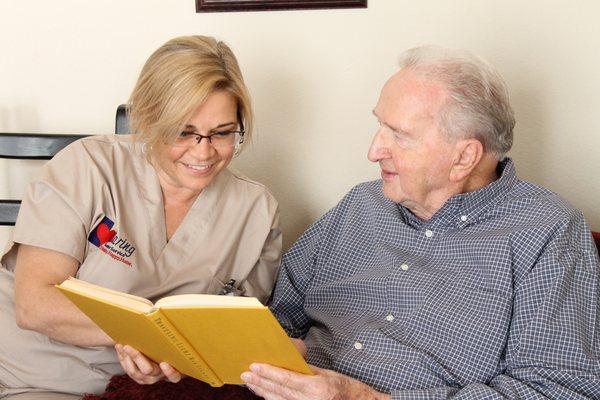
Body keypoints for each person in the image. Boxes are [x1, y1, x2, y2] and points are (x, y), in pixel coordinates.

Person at [120, 45, 600, 399]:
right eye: (379, 125)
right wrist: (185, 346)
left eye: (399, 135)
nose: (374, 150)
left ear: (464, 157)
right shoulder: (361, 206)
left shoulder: (548, 233)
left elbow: (560, 388)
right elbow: (278, 313)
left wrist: (364, 398)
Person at [0, 35, 282, 399]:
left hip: (153, 390)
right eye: (185, 132)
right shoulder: (86, 168)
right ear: (149, 120)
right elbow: (34, 305)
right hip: (30, 375)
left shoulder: (256, 211)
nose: (204, 152)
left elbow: (229, 339)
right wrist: (146, 335)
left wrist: (170, 360)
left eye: (223, 134)